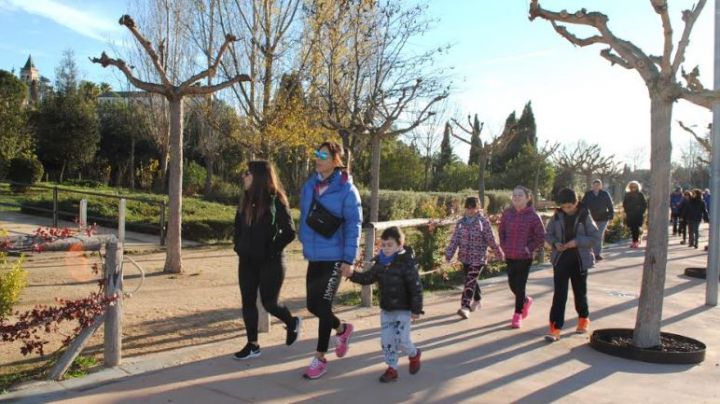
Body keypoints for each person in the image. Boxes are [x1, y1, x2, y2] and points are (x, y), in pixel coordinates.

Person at [298, 141, 362, 380]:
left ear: (336, 159)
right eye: (316, 153)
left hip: (335, 256)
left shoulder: (347, 189)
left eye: (323, 154)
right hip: (315, 255)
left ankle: (320, 358)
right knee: (313, 305)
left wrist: (349, 259)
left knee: (323, 306)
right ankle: (343, 330)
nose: (318, 158)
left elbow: (354, 226)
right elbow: (304, 215)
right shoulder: (310, 185)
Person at [232, 160, 301, 360]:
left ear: (259, 177)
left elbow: (289, 232)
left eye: (248, 173)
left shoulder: (276, 200)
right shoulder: (244, 199)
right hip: (246, 260)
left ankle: (292, 322)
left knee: (270, 303)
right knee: (247, 301)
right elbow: (237, 226)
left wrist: (271, 250)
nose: (244, 176)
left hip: (271, 261)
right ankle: (252, 345)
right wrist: (238, 245)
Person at [343, 227, 423, 383]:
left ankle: (414, 354)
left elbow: (416, 288)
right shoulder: (380, 263)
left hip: (403, 310)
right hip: (386, 310)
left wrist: (416, 309)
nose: (385, 248)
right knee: (386, 342)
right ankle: (392, 368)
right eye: (383, 244)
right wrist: (352, 274)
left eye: (390, 245)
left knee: (402, 341)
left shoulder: (406, 264)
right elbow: (367, 278)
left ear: (400, 246)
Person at [544, 188, 601, 342]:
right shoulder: (556, 216)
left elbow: (595, 237)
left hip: (579, 260)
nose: (567, 210)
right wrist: (555, 243)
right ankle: (555, 328)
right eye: (563, 207)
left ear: (576, 202)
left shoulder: (585, 215)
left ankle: (583, 318)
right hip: (561, 260)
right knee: (559, 295)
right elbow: (548, 234)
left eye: (570, 206)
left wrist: (577, 242)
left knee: (580, 292)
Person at [445, 196, 504, 320]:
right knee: (471, 281)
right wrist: (449, 255)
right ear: (465, 208)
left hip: (478, 258)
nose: (471, 210)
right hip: (465, 257)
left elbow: (491, 239)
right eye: (468, 208)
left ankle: (465, 307)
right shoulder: (461, 223)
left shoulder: (483, 222)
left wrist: (499, 253)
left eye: (473, 208)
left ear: (478, 208)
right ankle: (477, 301)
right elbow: (455, 240)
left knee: (470, 280)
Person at [498, 185, 546, 329]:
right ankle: (526, 300)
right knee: (512, 283)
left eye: (520, 195)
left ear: (528, 198)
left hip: (524, 257)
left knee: (520, 285)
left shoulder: (533, 216)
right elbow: (501, 231)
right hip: (510, 254)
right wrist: (503, 246)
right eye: (514, 195)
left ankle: (517, 314)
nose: (517, 197)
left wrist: (529, 248)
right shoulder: (507, 213)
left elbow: (541, 236)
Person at [581, 179, 615, 260]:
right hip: (591, 218)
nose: (596, 186)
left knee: (599, 235)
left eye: (598, 185)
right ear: (592, 186)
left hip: (603, 218)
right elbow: (583, 205)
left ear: (601, 186)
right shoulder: (588, 194)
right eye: (595, 185)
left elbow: (610, 205)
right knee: (591, 235)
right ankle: (590, 252)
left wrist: (611, 215)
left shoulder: (605, 194)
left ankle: (597, 254)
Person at [622, 181, 647, 248]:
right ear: (629, 187)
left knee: (636, 228)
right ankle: (635, 241)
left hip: (638, 215)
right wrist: (627, 211)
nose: (633, 188)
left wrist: (641, 211)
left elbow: (644, 204)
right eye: (631, 186)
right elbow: (624, 204)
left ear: (637, 187)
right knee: (633, 229)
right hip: (630, 215)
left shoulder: (640, 194)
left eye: (634, 186)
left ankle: (635, 242)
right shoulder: (627, 194)